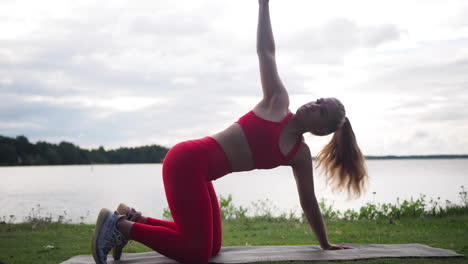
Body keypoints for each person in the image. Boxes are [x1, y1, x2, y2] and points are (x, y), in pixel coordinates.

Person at [91, 1, 368, 263]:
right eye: (319, 100)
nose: (314, 104)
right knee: (197, 251)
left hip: (201, 173)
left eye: (321, 110)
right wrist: (264, 5)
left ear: (321, 129)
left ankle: (133, 219)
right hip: (187, 161)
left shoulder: (299, 154)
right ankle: (118, 226)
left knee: (212, 247)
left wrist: (325, 243)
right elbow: (266, 52)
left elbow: (308, 202)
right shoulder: (277, 102)